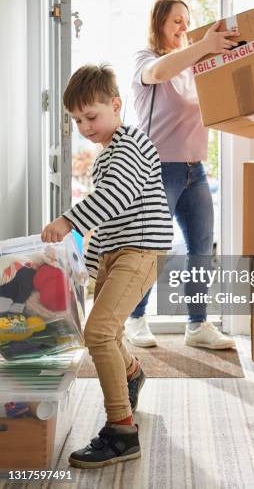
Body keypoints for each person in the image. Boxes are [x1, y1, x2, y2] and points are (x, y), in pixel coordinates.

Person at [41, 64, 173, 468]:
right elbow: (108, 224)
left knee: (98, 332)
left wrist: (68, 220)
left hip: (140, 252)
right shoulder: (107, 156)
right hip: (119, 254)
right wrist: (89, 265)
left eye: (91, 116)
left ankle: (121, 431)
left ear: (116, 105)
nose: (84, 126)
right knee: (104, 329)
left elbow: (113, 199)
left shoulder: (130, 144)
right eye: (77, 120)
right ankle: (131, 374)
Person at [125, 0, 238, 350]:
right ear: (158, 23)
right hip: (158, 169)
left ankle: (197, 325)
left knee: (201, 249)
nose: (183, 28)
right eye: (176, 20)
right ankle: (135, 318)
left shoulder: (194, 67)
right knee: (151, 250)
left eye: (186, 21)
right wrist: (203, 46)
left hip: (195, 170)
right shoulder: (145, 60)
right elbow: (159, 72)